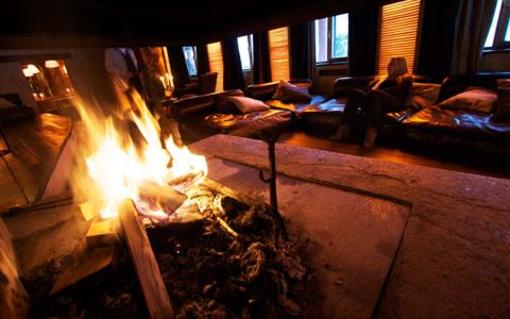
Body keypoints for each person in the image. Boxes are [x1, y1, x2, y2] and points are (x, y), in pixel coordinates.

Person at [330, 57, 413, 147]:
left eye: (391, 64)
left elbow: (398, 91)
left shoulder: (406, 77)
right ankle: (344, 127)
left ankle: (372, 131)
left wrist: (377, 91)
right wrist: (374, 87)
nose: (388, 66)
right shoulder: (382, 78)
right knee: (355, 93)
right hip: (375, 99)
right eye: (388, 64)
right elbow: (368, 90)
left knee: (375, 94)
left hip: (395, 102)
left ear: (399, 66)